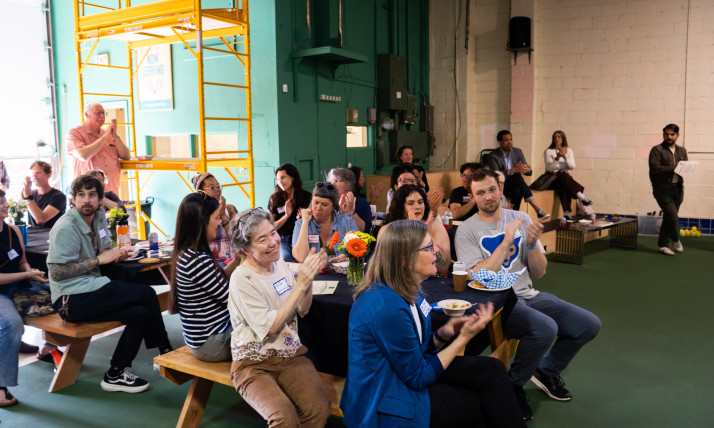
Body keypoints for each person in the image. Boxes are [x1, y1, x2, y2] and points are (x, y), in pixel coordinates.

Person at [341, 219, 526, 427]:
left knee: (492, 369)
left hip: (403, 375)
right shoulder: (386, 306)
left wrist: (443, 334)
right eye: (429, 247)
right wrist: (462, 338)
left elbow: (412, 346)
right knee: (484, 403)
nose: (437, 250)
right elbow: (417, 376)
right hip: (385, 398)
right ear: (405, 260)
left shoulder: (411, 290)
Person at [455, 169, 601, 420]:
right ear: (472, 197)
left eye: (492, 189)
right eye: (480, 192)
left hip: (528, 295)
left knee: (588, 325)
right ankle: (512, 386)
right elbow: (478, 276)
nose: (488, 196)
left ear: (500, 189)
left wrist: (532, 244)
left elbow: (540, 271)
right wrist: (507, 240)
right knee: (545, 328)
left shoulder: (520, 217)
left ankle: (545, 370)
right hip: (498, 301)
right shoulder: (466, 230)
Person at [47, 175, 173, 393]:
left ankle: (115, 373)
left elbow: (102, 252)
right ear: (73, 198)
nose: (87, 200)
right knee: (146, 294)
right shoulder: (66, 227)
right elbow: (57, 272)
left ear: (100, 198)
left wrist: (115, 255)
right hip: (70, 299)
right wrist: (99, 260)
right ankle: (167, 354)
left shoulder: (98, 218)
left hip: (92, 285)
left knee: (140, 314)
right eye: (81, 195)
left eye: (92, 195)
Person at [228, 208, 330, 427]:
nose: (273, 242)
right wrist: (300, 283)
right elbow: (271, 327)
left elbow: (302, 309)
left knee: (319, 409)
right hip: (253, 364)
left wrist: (308, 280)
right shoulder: (242, 278)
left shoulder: (280, 265)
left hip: (290, 356)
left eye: (273, 233)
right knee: (284, 418)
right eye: (262, 239)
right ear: (246, 249)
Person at [169, 192, 241, 361]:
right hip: (212, 343)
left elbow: (217, 278)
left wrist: (238, 260)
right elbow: (233, 300)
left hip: (206, 337)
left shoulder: (190, 253)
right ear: (202, 221)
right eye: (217, 218)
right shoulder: (195, 260)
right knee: (270, 328)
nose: (219, 224)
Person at [0, 188, 53, 407]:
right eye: (0, 201)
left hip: (20, 284)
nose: (4, 203)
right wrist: (27, 274)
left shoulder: (13, 230)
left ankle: (50, 347)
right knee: (12, 324)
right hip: (2, 291)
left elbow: (22, 262)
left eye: (3, 199)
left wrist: (34, 274)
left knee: (64, 293)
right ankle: (1, 386)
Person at [383, 185, 451, 274]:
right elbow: (391, 265)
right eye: (411, 203)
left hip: (432, 281)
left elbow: (444, 267)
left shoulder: (434, 224)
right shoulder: (389, 229)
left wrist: (426, 233)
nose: (417, 206)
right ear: (401, 207)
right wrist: (416, 231)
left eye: (420, 202)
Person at [65, 103, 131, 193]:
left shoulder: (108, 134)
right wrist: (105, 137)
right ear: (86, 114)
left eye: (103, 113)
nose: (102, 116)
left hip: (111, 192)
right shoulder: (74, 133)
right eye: (98, 113)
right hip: (88, 195)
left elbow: (126, 156)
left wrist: (115, 136)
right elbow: (83, 155)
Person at [487, 130, 550, 220]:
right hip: (501, 185)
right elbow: (495, 176)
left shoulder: (517, 152)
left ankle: (513, 217)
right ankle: (536, 208)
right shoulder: (493, 156)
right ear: (500, 142)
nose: (510, 142)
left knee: (517, 190)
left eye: (511, 139)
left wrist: (527, 169)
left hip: (515, 184)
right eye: (506, 140)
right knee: (517, 178)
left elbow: (528, 171)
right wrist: (511, 171)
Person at [292, 182, 358, 263]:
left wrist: (348, 258)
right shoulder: (301, 223)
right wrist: (305, 222)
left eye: (324, 204)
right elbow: (301, 257)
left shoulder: (346, 222)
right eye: (315, 202)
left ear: (333, 207)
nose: (318, 208)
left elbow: (360, 252)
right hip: (312, 273)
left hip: (339, 272)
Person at [649, 124, 688, 256]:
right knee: (673, 217)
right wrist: (674, 167)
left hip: (678, 189)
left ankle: (663, 245)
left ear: (677, 135)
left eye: (672, 134)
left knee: (668, 218)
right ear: (663, 135)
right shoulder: (657, 150)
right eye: (666, 134)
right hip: (662, 190)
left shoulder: (682, 151)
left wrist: (688, 168)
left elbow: (684, 167)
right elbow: (655, 169)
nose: (669, 137)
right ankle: (676, 239)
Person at [540, 131, 592, 220]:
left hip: (563, 178)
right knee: (564, 178)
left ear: (563, 138)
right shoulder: (548, 151)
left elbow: (572, 166)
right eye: (555, 137)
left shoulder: (569, 150)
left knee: (564, 180)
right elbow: (550, 169)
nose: (556, 139)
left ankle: (566, 213)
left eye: (559, 137)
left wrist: (565, 157)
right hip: (552, 178)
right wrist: (557, 158)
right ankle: (581, 196)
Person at [268, 164, 312, 262]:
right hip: (283, 238)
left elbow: (315, 220)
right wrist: (286, 216)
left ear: (293, 177)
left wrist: (304, 217)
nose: (280, 181)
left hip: (302, 236)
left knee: (305, 261)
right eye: (278, 179)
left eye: (283, 177)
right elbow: (271, 227)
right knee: (287, 260)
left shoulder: (307, 197)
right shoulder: (274, 199)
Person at [192, 172, 236, 266]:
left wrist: (224, 216)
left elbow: (236, 239)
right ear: (200, 191)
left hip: (231, 259)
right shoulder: (198, 213)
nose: (217, 190)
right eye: (212, 187)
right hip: (212, 262)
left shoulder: (229, 209)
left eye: (218, 186)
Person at [21, 161, 66, 228]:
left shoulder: (58, 196)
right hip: (33, 236)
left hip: (51, 236)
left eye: (38, 173)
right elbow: (19, 214)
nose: (34, 176)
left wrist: (28, 197)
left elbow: (41, 219)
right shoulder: (32, 195)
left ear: (48, 175)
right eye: (33, 173)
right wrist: (23, 197)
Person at [327, 168, 372, 233]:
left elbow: (365, 229)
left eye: (337, 181)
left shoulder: (361, 203)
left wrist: (351, 211)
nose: (333, 184)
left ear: (348, 184)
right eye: (330, 182)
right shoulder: (327, 203)